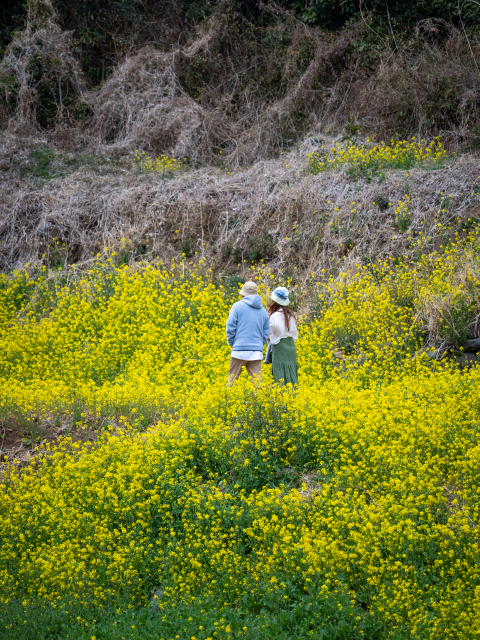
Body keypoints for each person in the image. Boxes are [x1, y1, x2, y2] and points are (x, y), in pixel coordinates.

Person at [226, 280, 270, 386]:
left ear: (243, 294)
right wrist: (260, 343)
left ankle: (227, 401)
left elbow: (230, 327)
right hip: (256, 352)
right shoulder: (263, 311)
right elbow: (266, 331)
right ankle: (260, 402)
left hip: (239, 351)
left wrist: (233, 343)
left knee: (231, 383)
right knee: (258, 385)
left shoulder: (237, 306)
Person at [268, 286, 298, 385]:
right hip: (291, 347)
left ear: (274, 302)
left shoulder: (274, 316)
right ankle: (293, 396)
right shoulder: (291, 315)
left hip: (280, 347)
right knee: (291, 373)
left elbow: (268, 334)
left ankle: (281, 398)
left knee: (279, 375)